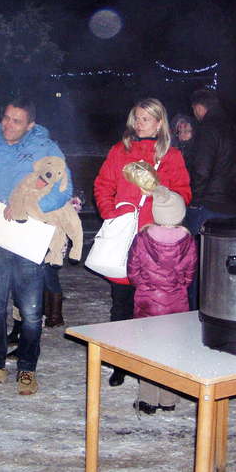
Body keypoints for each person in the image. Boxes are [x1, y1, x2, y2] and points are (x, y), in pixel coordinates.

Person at [0, 97, 72, 396]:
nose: (8, 125)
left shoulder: (45, 148)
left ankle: (27, 369)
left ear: (30, 125)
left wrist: (30, 206)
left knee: (30, 311)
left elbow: (64, 189)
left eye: (16, 121)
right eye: (6, 118)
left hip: (28, 238)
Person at [93, 98, 191, 387]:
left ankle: (149, 363)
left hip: (155, 241)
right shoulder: (120, 150)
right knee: (121, 302)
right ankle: (121, 362)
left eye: (146, 119)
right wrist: (111, 212)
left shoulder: (172, 156)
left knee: (151, 305)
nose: (139, 123)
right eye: (136, 118)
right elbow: (103, 185)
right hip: (125, 237)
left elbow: (184, 194)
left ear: (159, 123)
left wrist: (162, 196)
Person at [127, 186, 197, 414]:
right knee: (171, 349)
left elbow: (133, 270)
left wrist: (144, 286)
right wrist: (177, 287)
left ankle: (148, 399)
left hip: (147, 303)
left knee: (149, 350)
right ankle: (168, 399)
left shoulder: (142, 238)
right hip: (177, 302)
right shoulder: (188, 241)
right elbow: (189, 274)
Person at [184, 89, 236, 311]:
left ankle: (195, 312)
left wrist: (195, 199)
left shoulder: (208, 128)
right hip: (231, 203)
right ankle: (220, 309)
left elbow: (202, 168)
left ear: (199, 107)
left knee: (197, 263)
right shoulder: (232, 128)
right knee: (220, 264)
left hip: (208, 205)